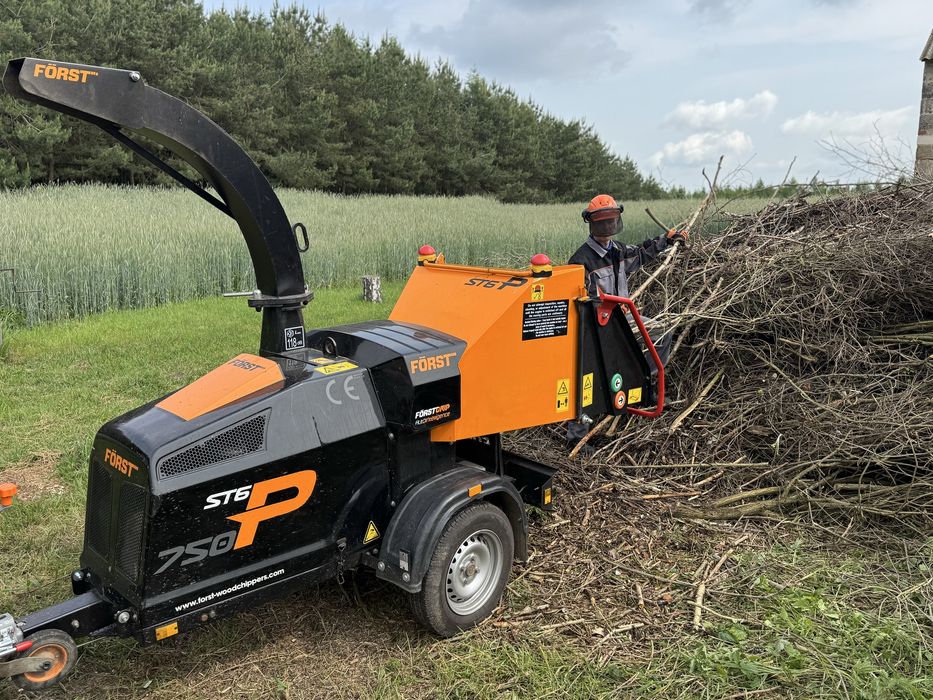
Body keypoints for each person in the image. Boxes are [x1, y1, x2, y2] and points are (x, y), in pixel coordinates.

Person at [566, 194, 687, 451]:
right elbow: (580, 301)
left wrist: (667, 240)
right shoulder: (581, 261)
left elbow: (642, 252)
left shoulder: (619, 251)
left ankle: (643, 385)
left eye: (611, 220)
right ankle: (576, 436)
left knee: (662, 332)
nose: (608, 226)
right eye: (603, 221)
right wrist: (604, 308)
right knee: (589, 370)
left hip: (624, 318)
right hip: (596, 326)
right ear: (592, 223)